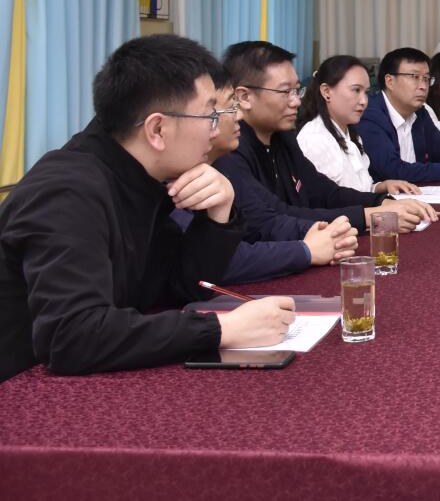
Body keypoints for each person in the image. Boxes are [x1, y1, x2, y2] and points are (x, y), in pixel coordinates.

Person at [0, 35, 295, 383]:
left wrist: (219, 215)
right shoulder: (67, 191)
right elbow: (72, 336)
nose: (214, 131)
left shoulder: (139, 177)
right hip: (21, 393)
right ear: (157, 129)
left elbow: (182, 285)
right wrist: (221, 329)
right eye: (209, 116)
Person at [216, 42, 435, 235]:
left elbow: (323, 192)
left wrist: (381, 201)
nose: (296, 101)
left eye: (297, 90)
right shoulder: (229, 149)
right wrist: (371, 216)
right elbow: (273, 217)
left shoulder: (283, 137)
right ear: (244, 97)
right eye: (285, 92)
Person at [172, 70, 360, 284]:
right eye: (212, 113)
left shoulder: (277, 141)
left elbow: (264, 221)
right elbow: (214, 262)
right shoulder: (176, 181)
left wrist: (316, 231)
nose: (239, 115)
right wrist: (306, 250)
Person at [297, 55, 428, 194]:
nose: (364, 101)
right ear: (326, 92)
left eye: (366, 92)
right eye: (356, 90)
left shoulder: (350, 134)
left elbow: (359, 190)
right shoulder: (315, 139)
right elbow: (332, 201)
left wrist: (382, 186)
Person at [358, 47, 440, 184]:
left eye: (426, 79)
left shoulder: (420, 112)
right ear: (390, 81)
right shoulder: (369, 114)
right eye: (415, 77)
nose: (423, 86)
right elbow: (392, 170)